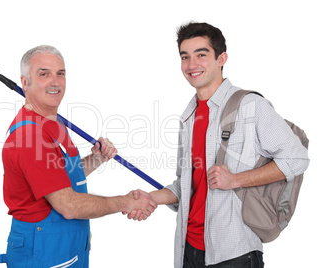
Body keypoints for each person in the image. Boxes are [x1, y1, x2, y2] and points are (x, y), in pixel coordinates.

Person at [127, 22, 309, 267]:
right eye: (185, 57)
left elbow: (296, 159)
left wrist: (236, 180)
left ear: (221, 58)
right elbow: (188, 187)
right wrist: (149, 198)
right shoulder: (189, 116)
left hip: (234, 254)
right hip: (188, 249)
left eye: (201, 55)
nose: (192, 65)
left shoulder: (250, 106)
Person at [0, 45, 157, 268]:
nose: (55, 82)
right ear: (25, 83)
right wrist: (126, 201)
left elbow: (58, 176)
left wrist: (96, 159)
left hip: (63, 248)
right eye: (44, 74)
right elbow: (69, 206)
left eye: (60, 73)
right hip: (42, 253)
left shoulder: (52, 122)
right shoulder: (30, 136)